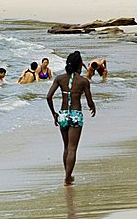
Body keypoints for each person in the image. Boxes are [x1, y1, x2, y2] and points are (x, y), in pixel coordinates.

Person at [47, 51, 96, 186]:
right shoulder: (83, 81)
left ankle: (67, 175)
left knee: (66, 147)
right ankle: (67, 179)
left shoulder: (59, 79)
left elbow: (48, 96)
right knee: (73, 148)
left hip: (63, 114)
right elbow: (89, 100)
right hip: (75, 114)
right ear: (79, 64)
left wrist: (54, 113)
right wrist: (93, 107)